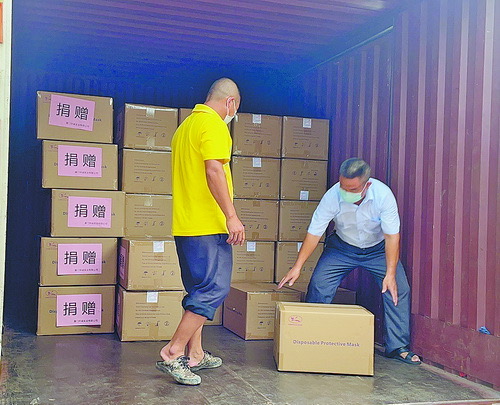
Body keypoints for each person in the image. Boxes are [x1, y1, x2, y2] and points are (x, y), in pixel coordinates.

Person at [278, 158, 421, 365]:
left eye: (352, 189)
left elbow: (392, 237)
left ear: (367, 185)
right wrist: (297, 266)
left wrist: (390, 274)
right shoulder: (332, 196)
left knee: (397, 288)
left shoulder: (383, 196)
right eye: (343, 186)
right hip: (342, 248)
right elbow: (315, 232)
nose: (345, 191)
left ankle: (397, 347)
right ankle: (311, 337)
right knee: (319, 285)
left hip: (377, 250)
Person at [156, 78, 245, 385]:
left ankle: (195, 353)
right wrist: (231, 216)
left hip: (186, 225)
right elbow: (214, 169)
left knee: (198, 291)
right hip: (208, 226)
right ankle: (173, 352)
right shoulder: (214, 125)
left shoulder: (185, 128)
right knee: (214, 289)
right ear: (230, 103)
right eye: (235, 108)